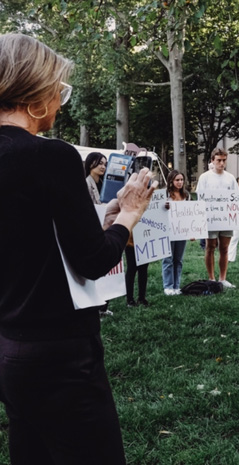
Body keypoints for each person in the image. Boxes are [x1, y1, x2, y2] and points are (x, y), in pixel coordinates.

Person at [0, 33, 155, 464]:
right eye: (58, 90)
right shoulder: (51, 156)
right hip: (61, 353)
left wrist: (100, 217)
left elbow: (31, 236)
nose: (60, 101)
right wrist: (129, 215)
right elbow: (92, 260)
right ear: (33, 94)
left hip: (9, 344)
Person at [197, 147, 238, 288]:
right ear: (212, 161)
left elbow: (236, 197)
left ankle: (222, 278)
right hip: (210, 218)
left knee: (224, 248)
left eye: (224, 160)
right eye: (219, 160)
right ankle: (211, 278)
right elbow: (200, 198)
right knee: (210, 246)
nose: (221, 163)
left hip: (226, 217)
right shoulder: (205, 177)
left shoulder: (230, 178)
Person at [162, 170, 190, 295]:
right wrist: (164, 206)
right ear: (171, 181)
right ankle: (168, 286)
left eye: (181, 180)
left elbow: (191, 214)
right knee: (168, 259)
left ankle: (176, 285)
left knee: (178, 259)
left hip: (181, 231)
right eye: (177, 180)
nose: (180, 182)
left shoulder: (186, 196)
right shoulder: (164, 195)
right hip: (168, 230)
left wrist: (192, 231)